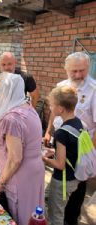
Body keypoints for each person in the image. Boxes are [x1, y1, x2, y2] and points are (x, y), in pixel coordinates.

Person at [44, 52, 96, 225]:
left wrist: (86, 154)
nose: (78, 75)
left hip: (81, 147)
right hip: (62, 140)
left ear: (88, 68)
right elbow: (53, 111)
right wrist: (49, 131)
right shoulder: (62, 86)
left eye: (82, 71)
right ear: (65, 69)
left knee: (76, 187)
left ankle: (71, 218)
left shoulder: (94, 90)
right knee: (64, 179)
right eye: (74, 71)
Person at [0, 73, 45, 225]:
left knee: (20, 215)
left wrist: (1, 181)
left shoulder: (11, 118)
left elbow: (15, 158)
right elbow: (22, 137)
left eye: (0, 90)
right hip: (33, 171)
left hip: (19, 177)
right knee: (32, 213)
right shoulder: (27, 106)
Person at [0, 52, 39, 183]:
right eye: (3, 64)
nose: (7, 67)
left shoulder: (25, 77)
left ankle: (12, 179)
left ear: (15, 63)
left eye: (9, 64)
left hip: (17, 121)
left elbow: (35, 95)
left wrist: (28, 113)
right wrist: (0, 104)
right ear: (0, 65)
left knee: (15, 152)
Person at [43, 85, 83, 225]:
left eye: (52, 105)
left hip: (62, 180)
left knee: (56, 215)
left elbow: (60, 165)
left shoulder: (61, 133)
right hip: (74, 177)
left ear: (60, 108)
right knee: (45, 196)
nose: (50, 108)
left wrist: (44, 158)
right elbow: (73, 150)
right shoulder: (78, 123)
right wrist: (54, 152)